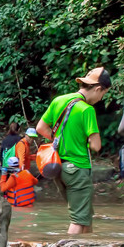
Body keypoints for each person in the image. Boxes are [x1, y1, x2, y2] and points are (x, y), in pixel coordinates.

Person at [38, 67, 111, 235]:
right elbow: (96, 146)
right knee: (78, 220)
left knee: (84, 216)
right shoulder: (87, 110)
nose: (101, 99)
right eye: (103, 94)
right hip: (77, 169)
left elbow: (41, 128)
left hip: (58, 167)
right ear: (99, 89)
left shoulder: (59, 100)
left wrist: (61, 140)